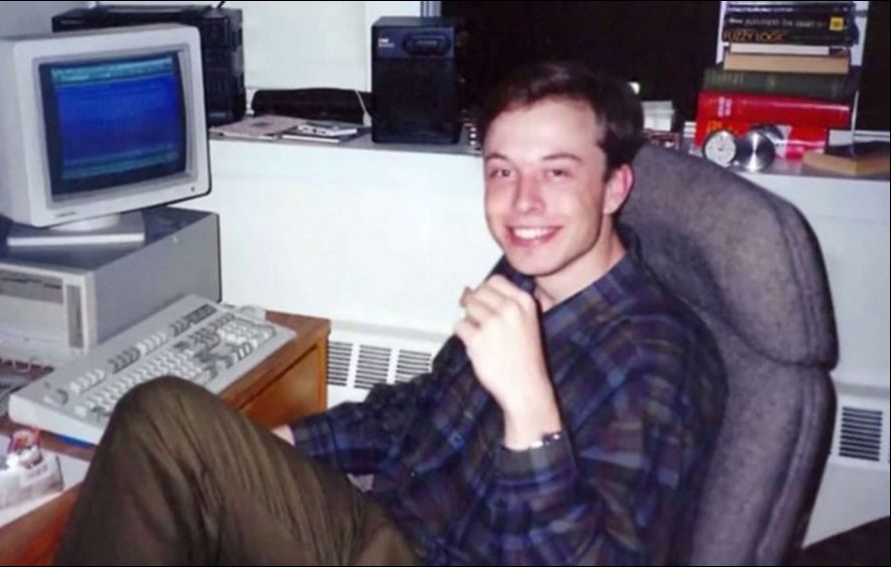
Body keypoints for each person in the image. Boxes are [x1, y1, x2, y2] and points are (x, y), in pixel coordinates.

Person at [56, 62, 726, 566]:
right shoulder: (524, 274)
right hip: (382, 527)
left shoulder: (655, 360)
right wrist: (281, 446)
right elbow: (426, 406)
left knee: (163, 423)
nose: (523, 203)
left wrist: (531, 410)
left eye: (556, 172)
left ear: (613, 187)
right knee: (169, 431)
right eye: (502, 171)